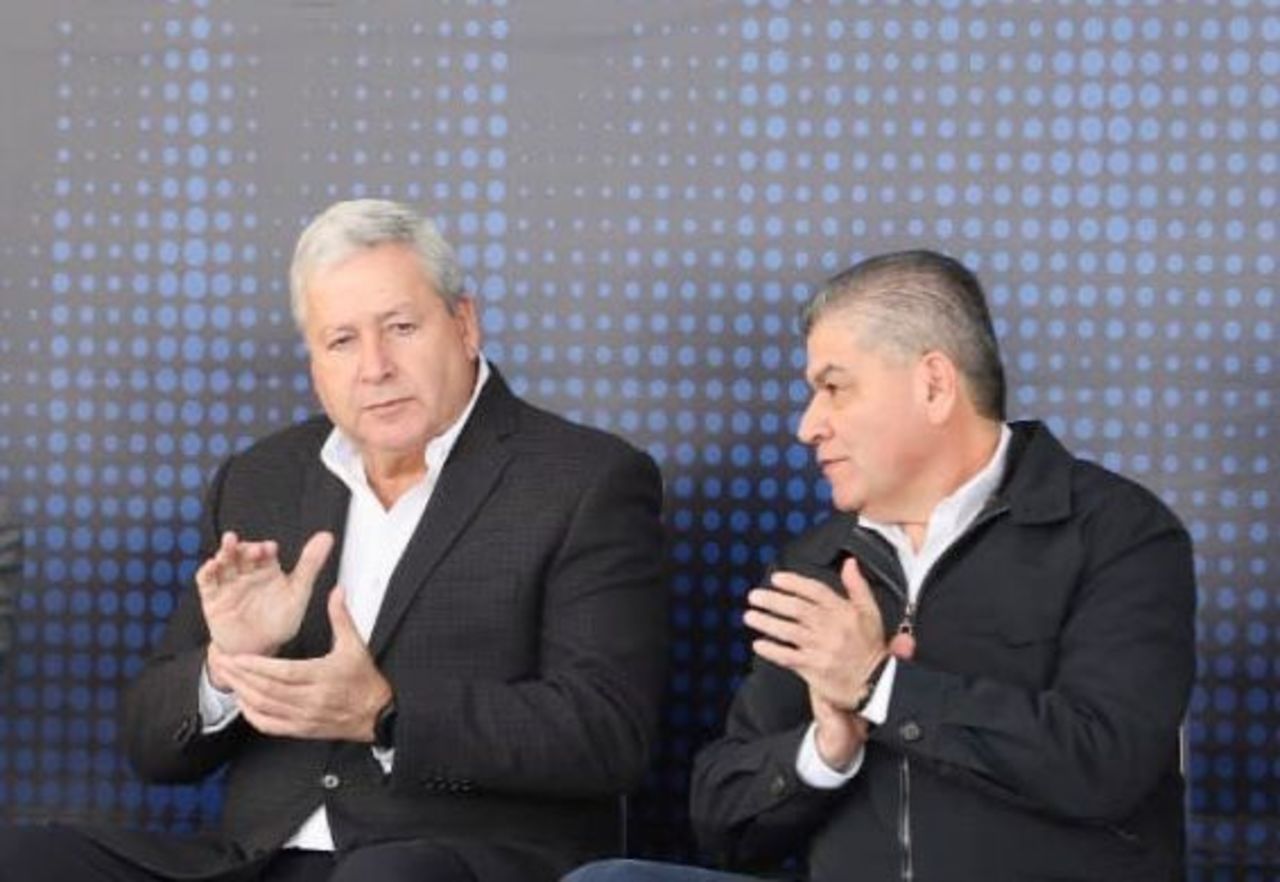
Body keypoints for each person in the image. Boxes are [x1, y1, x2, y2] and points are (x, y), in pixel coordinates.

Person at [0, 198, 668, 882]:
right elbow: (152, 748)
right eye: (342, 341)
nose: (374, 367)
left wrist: (387, 714)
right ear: (315, 361)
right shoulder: (262, 478)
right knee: (24, 862)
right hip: (255, 860)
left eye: (401, 328)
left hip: (450, 860)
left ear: (464, 324)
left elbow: (607, 732)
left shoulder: (584, 478)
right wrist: (230, 664)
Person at [564, 250, 1195, 882]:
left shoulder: (1117, 532)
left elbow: (1105, 763)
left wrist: (881, 686)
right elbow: (725, 825)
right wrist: (825, 751)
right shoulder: (816, 566)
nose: (808, 426)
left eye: (834, 388)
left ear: (934, 385)